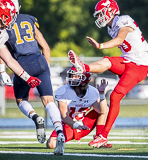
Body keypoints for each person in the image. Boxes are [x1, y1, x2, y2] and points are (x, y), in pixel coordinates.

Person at [68, 0, 148, 148]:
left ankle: (103, 136)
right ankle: (83, 67)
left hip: (138, 65)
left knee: (115, 96)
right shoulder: (110, 27)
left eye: (100, 13)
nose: (99, 17)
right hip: (129, 61)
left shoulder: (124, 20)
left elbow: (119, 40)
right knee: (107, 61)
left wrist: (100, 45)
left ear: (110, 11)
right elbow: (129, 49)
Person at [0, 0, 65, 155]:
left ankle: (36, 117)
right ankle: (60, 132)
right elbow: (46, 47)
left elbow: (6, 57)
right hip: (40, 61)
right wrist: (45, 69)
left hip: (21, 63)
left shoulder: (5, 30)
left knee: (21, 100)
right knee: (49, 101)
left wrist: (3, 71)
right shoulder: (28, 18)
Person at [46, 66, 111, 149]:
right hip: (68, 124)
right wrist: (76, 125)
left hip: (85, 124)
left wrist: (102, 94)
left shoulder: (92, 91)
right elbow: (64, 116)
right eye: (71, 76)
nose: (72, 78)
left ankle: (98, 138)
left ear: (84, 78)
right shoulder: (63, 91)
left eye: (76, 76)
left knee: (106, 107)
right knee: (51, 144)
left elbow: (102, 111)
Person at [0, 0, 40, 88]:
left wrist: (27, 78)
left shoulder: (2, 33)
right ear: (3, 15)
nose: (12, 17)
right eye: (10, 14)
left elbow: (9, 60)